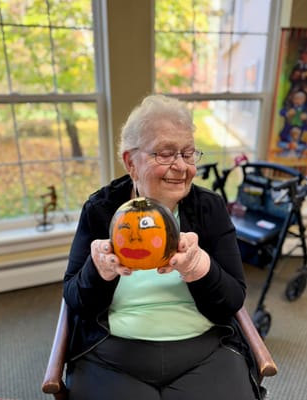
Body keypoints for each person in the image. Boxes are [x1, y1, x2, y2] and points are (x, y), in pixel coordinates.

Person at [63, 94, 263, 400]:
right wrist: (98, 270)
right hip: (113, 352)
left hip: (205, 348)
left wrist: (201, 269)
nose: (181, 166)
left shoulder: (209, 208)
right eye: (166, 154)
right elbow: (75, 299)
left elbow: (232, 300)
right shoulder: (102, 209)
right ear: (131, 161)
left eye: (187, 153)